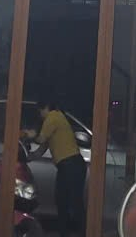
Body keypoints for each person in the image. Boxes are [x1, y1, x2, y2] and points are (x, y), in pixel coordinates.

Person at [22, 96, 86, 237]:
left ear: (45, 108)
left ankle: (82, 232)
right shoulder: (56, 120)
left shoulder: (53, 116)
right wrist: (27, 156)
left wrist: (30, 134)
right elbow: (41, 149)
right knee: (65, 201)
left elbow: (40, 139)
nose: (40, 115)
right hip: (71, 165)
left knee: (70, 202)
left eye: (40, 111)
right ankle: (69, 232)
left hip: (70, 165)